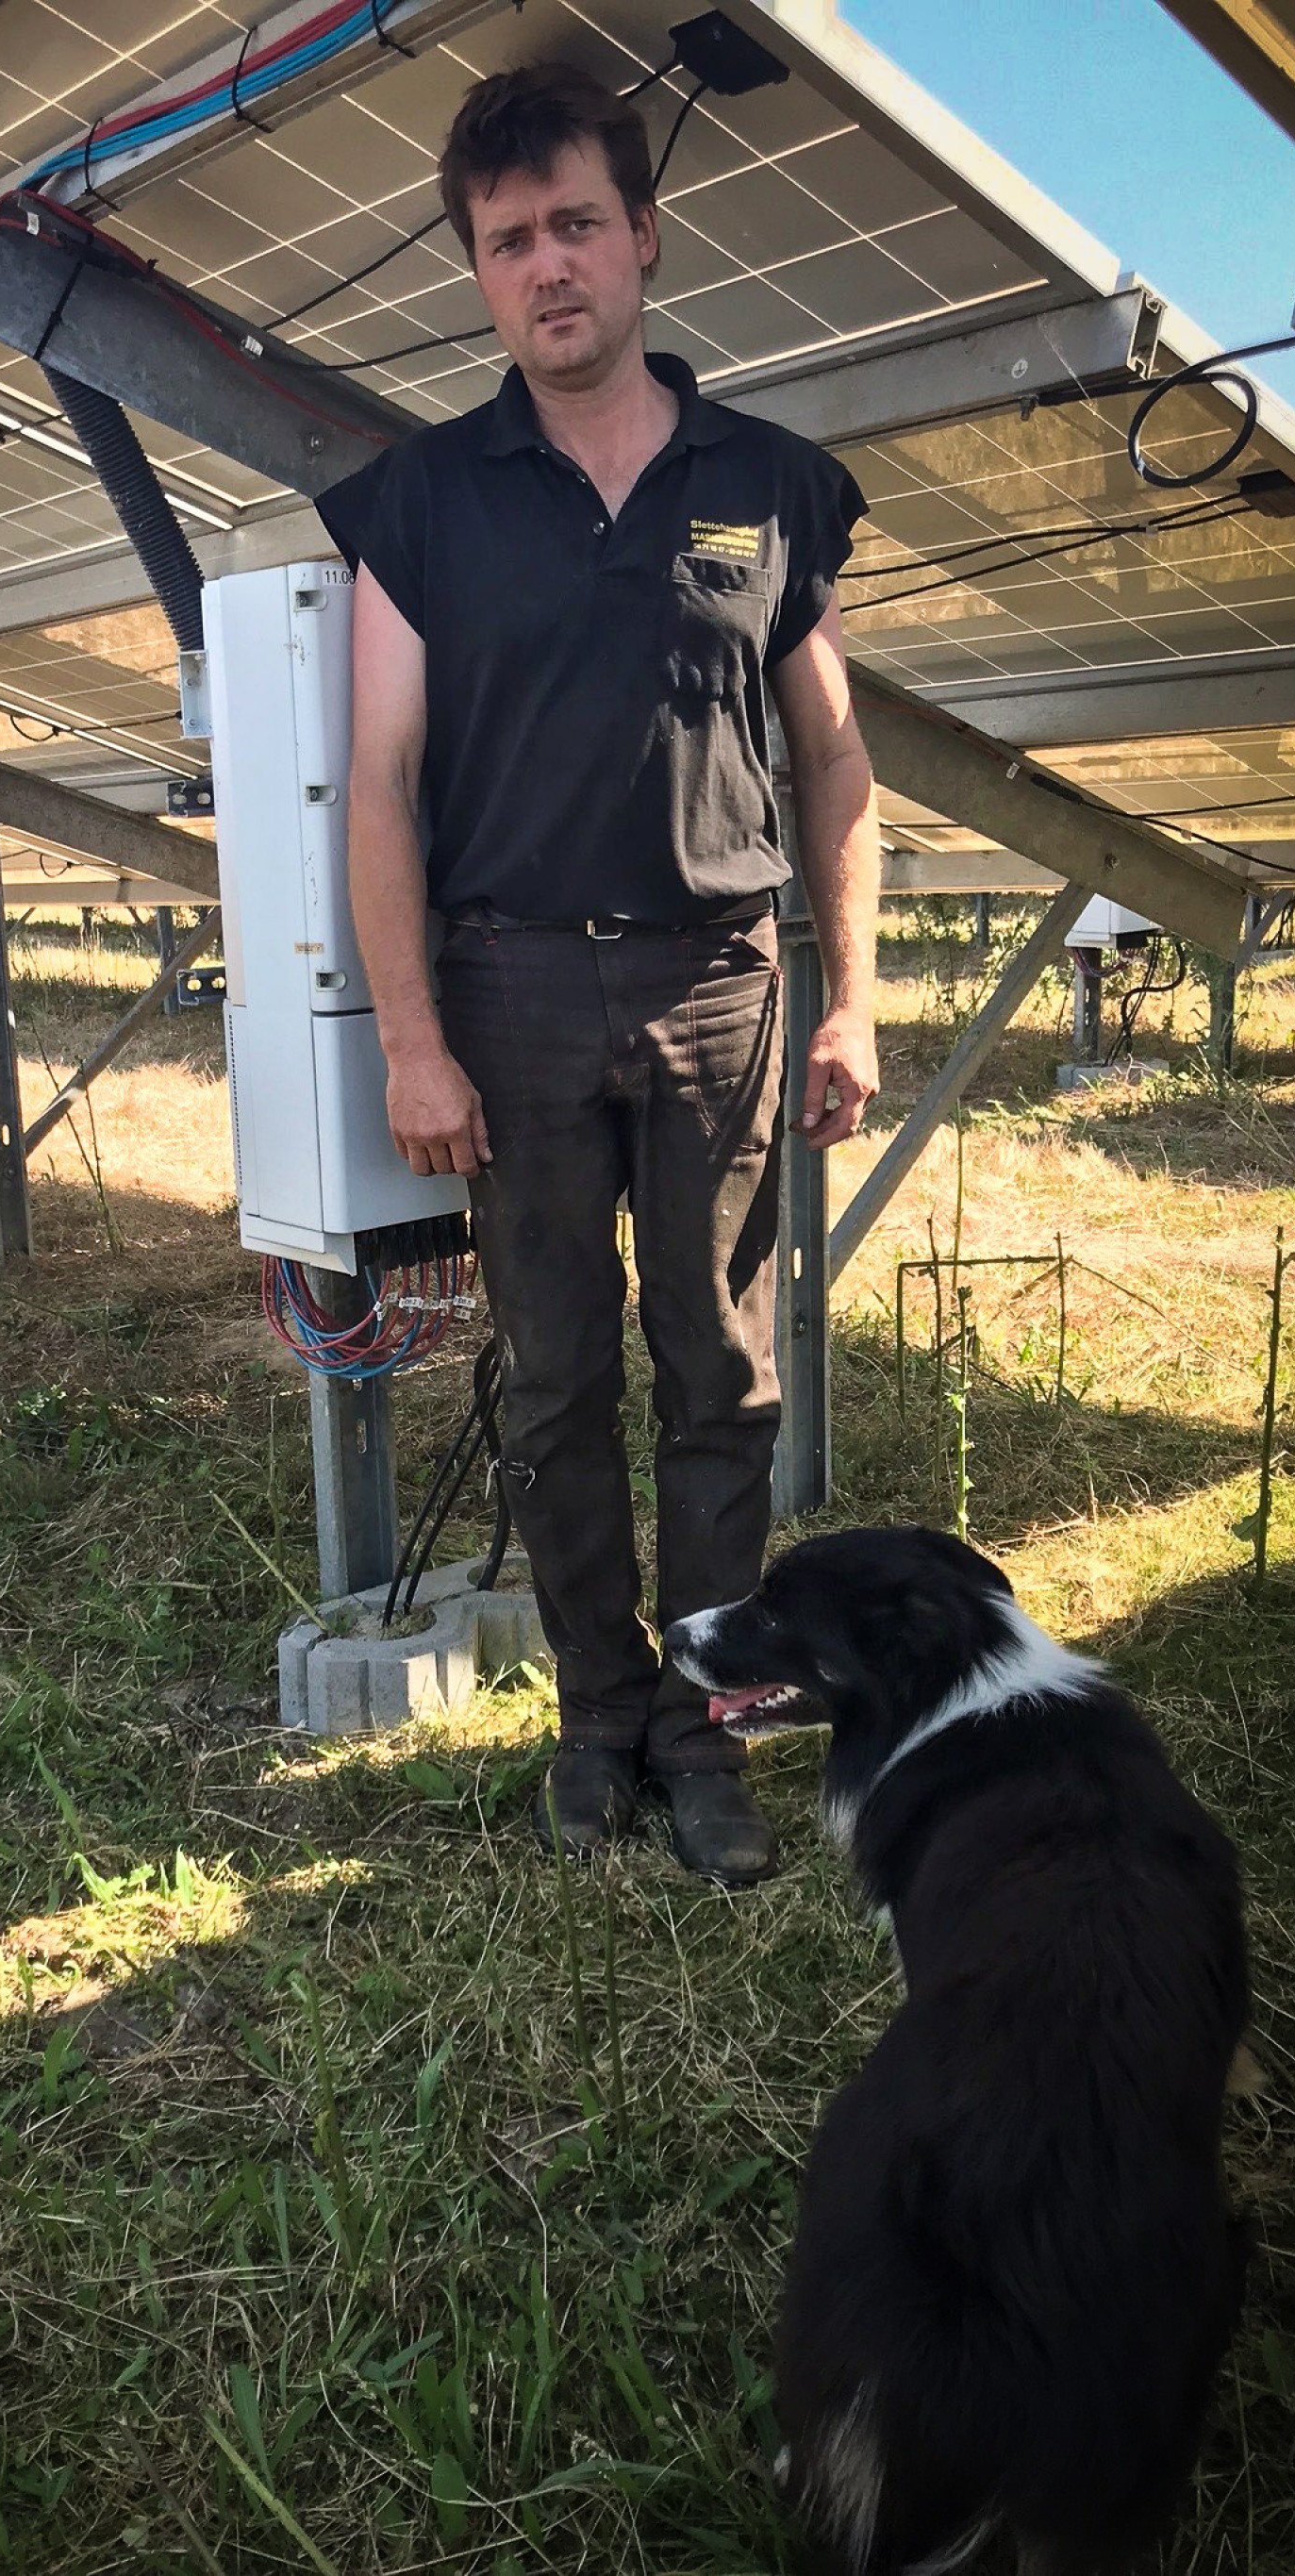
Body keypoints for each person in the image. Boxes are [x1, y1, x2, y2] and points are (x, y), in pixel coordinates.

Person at [316, 61, 880, 1886]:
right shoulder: (422, 501)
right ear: (475, 275)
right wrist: (412, 1037)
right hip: (512, 994)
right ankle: (594, 1710)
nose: (547, 267)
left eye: (575, 225)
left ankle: (708, 1731)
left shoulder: (771, 489)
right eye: (507, 243)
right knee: (558, 1381)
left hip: (721, 981)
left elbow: (835, 760)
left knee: (720, 1375)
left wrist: (854, 995)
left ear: (643, 236)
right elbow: (383, 783)